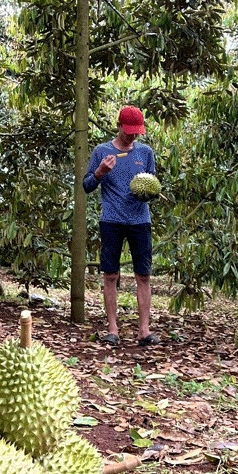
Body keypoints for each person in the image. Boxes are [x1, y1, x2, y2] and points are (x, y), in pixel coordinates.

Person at [83, 105, 159, 347]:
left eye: (137, 132)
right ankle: (113, 329)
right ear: (119, 126)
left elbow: (153, 185)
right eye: (129, 132)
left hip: (140, 220)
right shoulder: (102, 151)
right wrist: (100, 172)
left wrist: (147, 193)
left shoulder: (145, 153)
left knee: (143, 275)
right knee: (111, 275)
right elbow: (86, 186)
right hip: (112, 220)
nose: (133, 136)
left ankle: (144, 330)